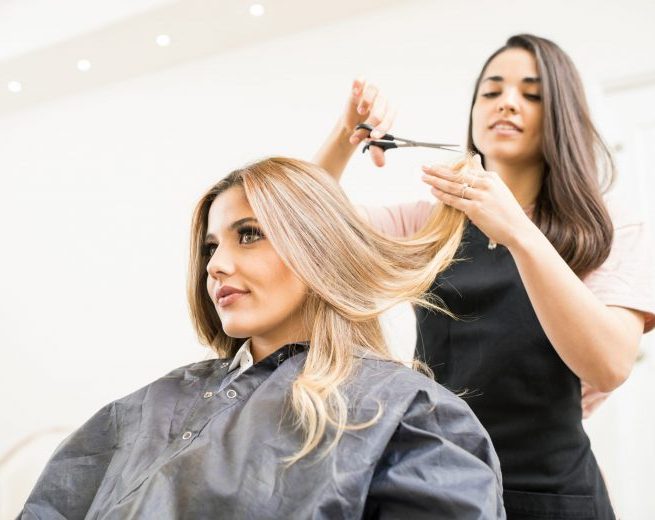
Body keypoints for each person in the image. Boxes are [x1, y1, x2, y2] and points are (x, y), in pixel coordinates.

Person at [20, 157, 505, 519]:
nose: (215, 265)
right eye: (211, 247)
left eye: (248, 234)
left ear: (319, 246)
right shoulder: (150, 405)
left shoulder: (407, 413)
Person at [314, 34, 655, 519]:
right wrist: (343, 136)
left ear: (563, 116)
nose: (507, 104)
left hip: (556, 494)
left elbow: (609, 366)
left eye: (532, 94)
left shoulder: (610, 226)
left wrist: (519, 231)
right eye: (491, 92)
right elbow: (298, 224)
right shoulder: (431, 223)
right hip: (437, 485)